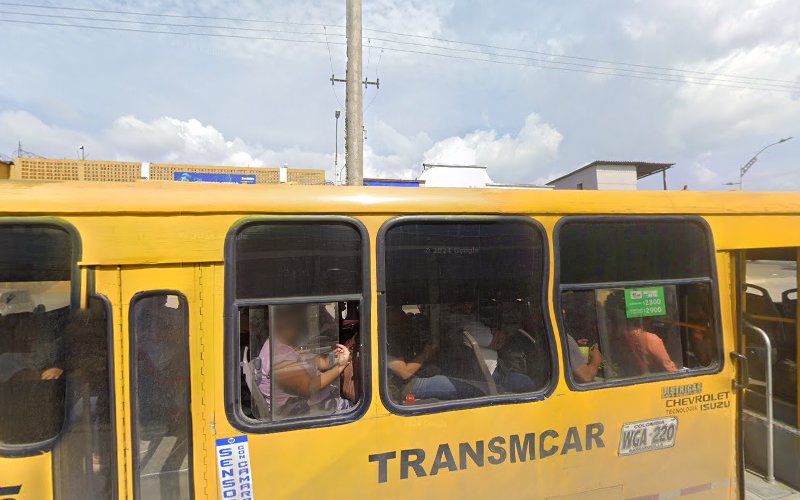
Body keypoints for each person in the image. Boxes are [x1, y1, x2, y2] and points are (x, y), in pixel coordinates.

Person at [258, 305, 353, 417]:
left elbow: (323, 363)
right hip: (307, 410)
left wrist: (336, 356)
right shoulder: (278, 355)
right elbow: (311, 387)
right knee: (356, 407)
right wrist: (340, 367)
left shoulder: (287, 344)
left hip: (318, 399)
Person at [386, 306, 482, 402]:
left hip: (412, 377)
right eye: (394, 309)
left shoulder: (395, 335)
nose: (402, 313)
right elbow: (404, 373)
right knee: (470, 389)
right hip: (404, 386)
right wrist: (426, 353)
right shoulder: (387, 339)